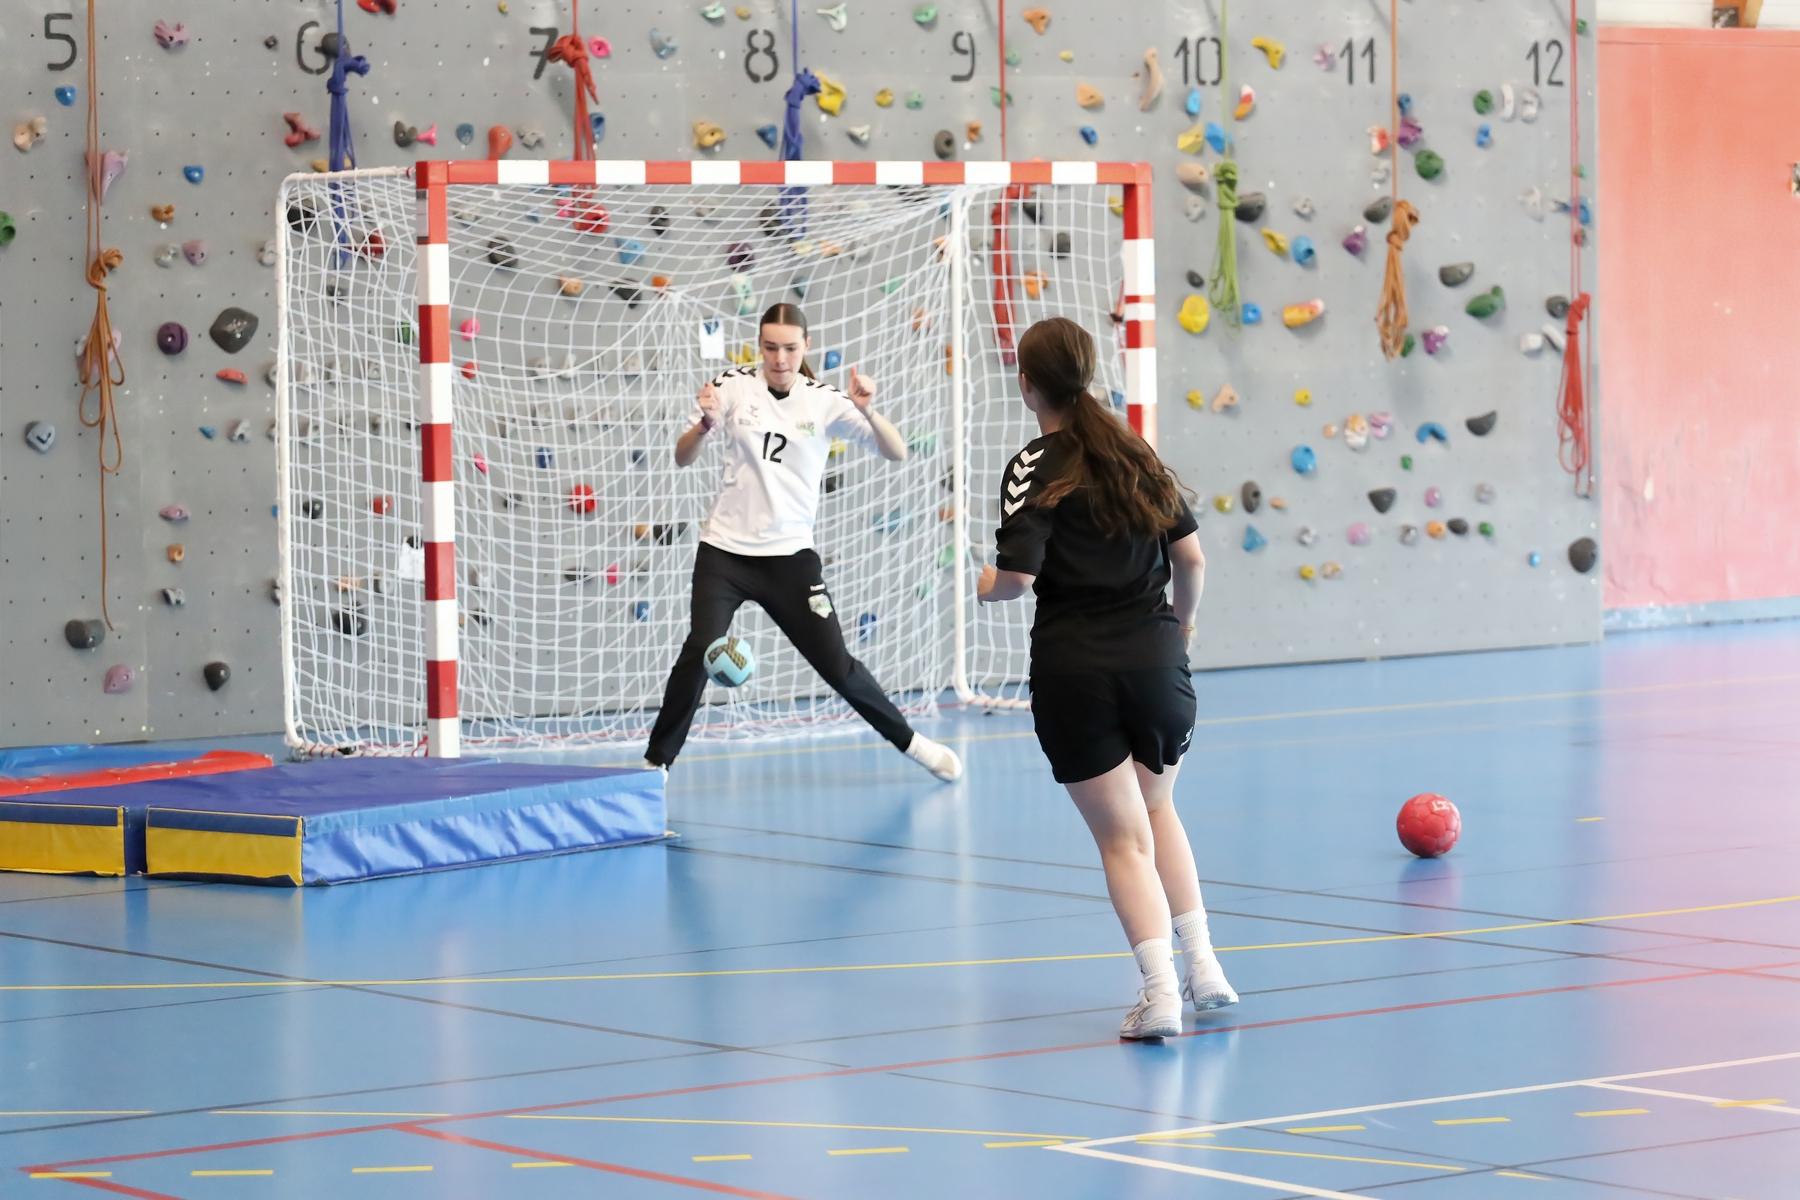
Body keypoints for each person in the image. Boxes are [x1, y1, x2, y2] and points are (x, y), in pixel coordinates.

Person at [977, 316, 1236, 1039]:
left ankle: (1159, 996)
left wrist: (980, 585)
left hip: (1077, 673)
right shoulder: (1134, 454)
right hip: (1158, 664)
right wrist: (1181, 629)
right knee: (1158, 812)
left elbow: (1015, 580)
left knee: (1123, 841)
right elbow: (1192, 560)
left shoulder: (1033, 465)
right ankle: (1206, 969)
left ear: (1027, 385)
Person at [644, 303, 963, 782]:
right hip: (725, 554)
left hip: (790, 560)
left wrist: (868, 411)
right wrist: (705, 426)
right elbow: (682, 457)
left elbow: (896, 451)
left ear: (806, 346)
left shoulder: (825, 400)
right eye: (770, 347)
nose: (780, 358)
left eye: (790, 348)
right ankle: (656, 765)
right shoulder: (731, 386)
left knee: (838, 666)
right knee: (700, 651)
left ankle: (915, 744)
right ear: (759, 345)